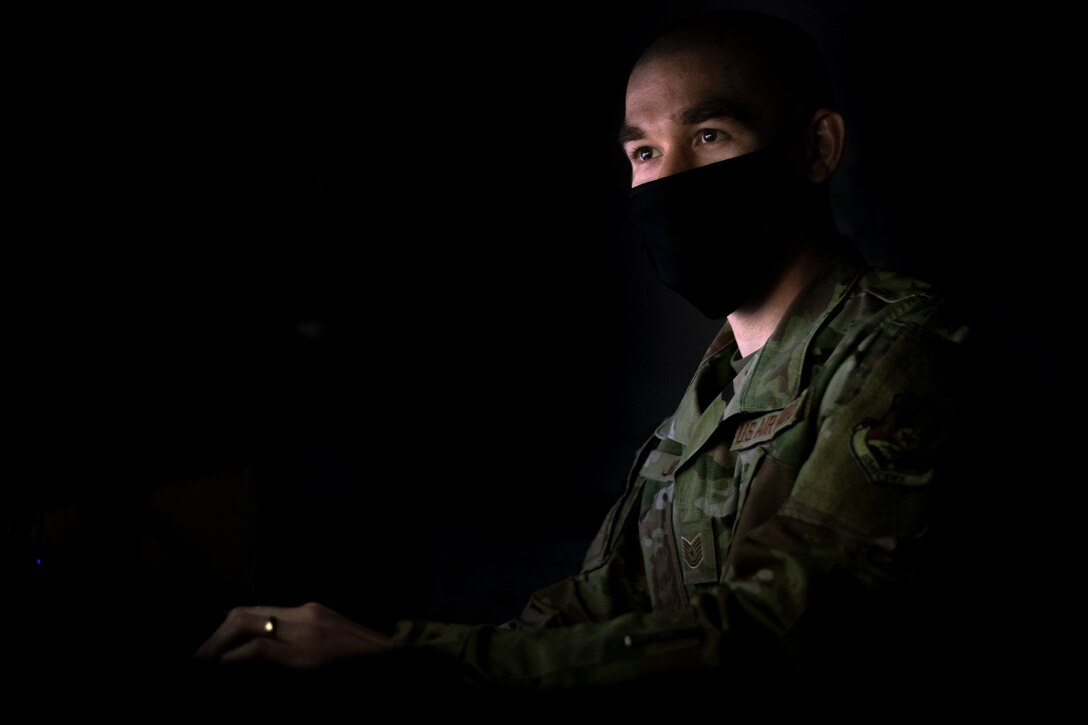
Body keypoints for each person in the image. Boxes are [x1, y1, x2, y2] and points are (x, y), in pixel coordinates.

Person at [193, 9, 985, 706]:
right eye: (644, 152)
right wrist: (365, 647)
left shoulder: (907, 348)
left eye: (709, 137)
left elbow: (777, 636)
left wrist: (415, 658)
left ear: (816, 146)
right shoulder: (711, 394)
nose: (666, 179)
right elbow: (597, 613)